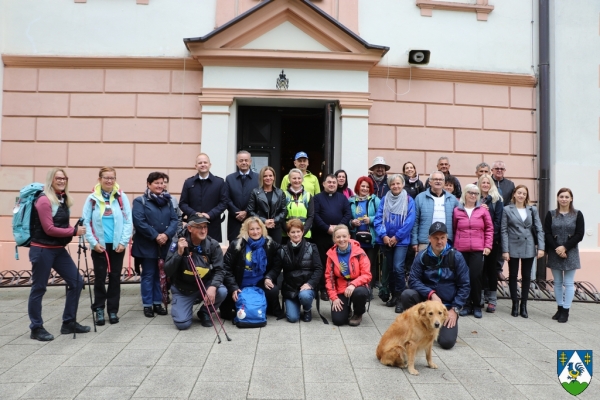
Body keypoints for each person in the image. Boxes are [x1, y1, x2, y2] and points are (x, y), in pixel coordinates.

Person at [28, 168, 89, 341]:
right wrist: (74, 231)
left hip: (57, 249)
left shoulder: (62, 199)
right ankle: (36, 327)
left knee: (76, 282)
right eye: (58, 178)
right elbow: (49, 229)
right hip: (42, 249)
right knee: (39, 288)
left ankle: (68, 323)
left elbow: (60, 226)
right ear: (51, 179)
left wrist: (71, 230)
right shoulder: (44, 200)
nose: (62, 181)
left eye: (64, 178)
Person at [401, 222, 470, 350]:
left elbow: (465, 286)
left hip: (447, 307)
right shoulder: (422, 256)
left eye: (442, 237)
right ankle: (417, 327)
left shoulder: (456, 257)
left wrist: (455, 310)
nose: (439, 241)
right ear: (429, 239)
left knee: (447, 343)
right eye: (436, 238)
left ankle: (442, 326)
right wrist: (431, 294)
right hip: (427, 305)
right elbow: (413, 280)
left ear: (447, 237)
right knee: (407, 295)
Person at [82, 167, 133, 325]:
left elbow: (128, 221)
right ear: (100, 179)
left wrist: (123, 242)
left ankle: (112, 311)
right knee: (99, 278)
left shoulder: (120, 197)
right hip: (100, 246)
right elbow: (86, 222)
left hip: (117, 246)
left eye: (112, 178)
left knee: (115, 278)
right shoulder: (92, 199)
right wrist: (93, 242)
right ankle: (98, 309)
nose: (109, 181)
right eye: (106, 178)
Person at [164, 215, 228, 329]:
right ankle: (183, 305)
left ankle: (205, 311)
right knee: (182, 324)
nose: (203, 230)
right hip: (183, 288)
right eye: (199, 227)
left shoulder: (212, 244)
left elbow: (220, 270)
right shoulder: (177, 242)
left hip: (204, 285)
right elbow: (168, 270)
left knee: (221, 291)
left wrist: (213, 287)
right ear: (189, 228)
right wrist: (179, 253)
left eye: (205, 227)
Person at [132, 172, 179, 318]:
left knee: (161, 275)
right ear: (149, 184)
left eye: (163, 183)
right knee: (148, 274)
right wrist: (155, 236)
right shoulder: (140, 201)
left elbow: (174, 220)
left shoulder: (169, 200)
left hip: (164, 244)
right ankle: (147, 305)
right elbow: (139, 222)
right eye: (157, 183)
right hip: (147, 244)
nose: (161, 185)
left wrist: (166, 235)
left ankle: (158, 303)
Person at [221, 217, 283, 319]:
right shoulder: (237, 244)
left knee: (273, 290)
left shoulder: (269, 243)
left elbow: (278, 261)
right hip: (240, 283)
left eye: (258, 228)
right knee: (230, 314)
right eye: (252, 229)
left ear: (262, 229)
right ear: (246, 230)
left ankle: (263, 306)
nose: (255, 232)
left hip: (259, 282)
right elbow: (225, 266)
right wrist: (233, 287)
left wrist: (269, 277)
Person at [373, 174, 416, 313]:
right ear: (389, 186)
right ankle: (393, 295)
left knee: (398, 268)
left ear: (403, 184)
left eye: (398, 183)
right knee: (390, 268)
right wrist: (384, 235)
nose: (395, 186)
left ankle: (401, 298)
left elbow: (410, 221)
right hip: (386, 240)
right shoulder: (384, 200)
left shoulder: (409, 200)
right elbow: (378, 218)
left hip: (401, 241)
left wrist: (396, 237)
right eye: (393, 184)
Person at [501, 185, 545, 318]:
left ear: (526, 196)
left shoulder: (532, 210)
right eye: (519, 193)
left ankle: (524, 305)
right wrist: (505, 250)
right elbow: (503, 230)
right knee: (513, 275)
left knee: (526, 276)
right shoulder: (507, 209)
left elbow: (539, 229)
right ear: (514, 194)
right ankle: (515, 304)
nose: (521, 195)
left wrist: (541, 247)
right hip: (513, 245)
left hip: (529, 245)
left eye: (524, 194)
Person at [544, 188, 585, 323]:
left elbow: (579, 234)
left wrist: (565, 247)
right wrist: (557, 248)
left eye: (567, 197)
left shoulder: (578, 214)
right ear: (557, 198)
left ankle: (566, 311)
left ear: (571, 199)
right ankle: (560, 308)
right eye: (561, 196)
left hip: (571, 252)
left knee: (568, 283)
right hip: (555, 251)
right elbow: (547, 233)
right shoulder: (551, 214)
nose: (564, 199)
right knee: (557, 282)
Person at [452, 184, 493, 319]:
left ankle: (477, 305)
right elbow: (454, 229)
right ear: (465, 193)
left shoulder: (482, 210)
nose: (473, 195)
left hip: (477, 249)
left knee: (475, 277)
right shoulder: (457, 210)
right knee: (463, 278)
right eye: (470, 192)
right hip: (461, 249)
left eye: (475, 193)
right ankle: (466, 305)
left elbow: (489, 229)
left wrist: (488, 246)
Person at [273, 219, 323, 323]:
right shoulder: (282, 250)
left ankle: (307, 309)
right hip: (290, 288)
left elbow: (319, 269)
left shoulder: (312, 247)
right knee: (292, 318)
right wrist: (268, 278)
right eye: (293, 232)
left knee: (304, 296)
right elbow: (275, 269)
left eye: (298, 231)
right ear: (288, 234)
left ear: (302, 232)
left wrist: (310, 284)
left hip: (306, 287)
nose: (296, 235)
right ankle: (295, 303)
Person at [312, 174, 352, 301]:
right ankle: (323, 289)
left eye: (334, 182)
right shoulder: (317, 198)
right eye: (329, 182)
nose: (332, 184)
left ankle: (337, 287)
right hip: (322, 236)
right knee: (323, 263)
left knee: (339, 263)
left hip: (339, 238)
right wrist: (327, 228)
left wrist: (338, 228)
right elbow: (315, 215)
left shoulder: (342, 198)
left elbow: (348, 214)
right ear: (323, 184)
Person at [325, 225, 372, 326]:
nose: (341, 239)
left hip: (358, 286)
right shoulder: (331, 255)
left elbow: (367, 275)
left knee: (359, 293)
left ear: (349, 236)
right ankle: (347, 309)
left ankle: (358, 313)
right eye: (338, 237)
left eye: (344, 236)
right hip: (341, 288)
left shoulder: (359, 252)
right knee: (338, 321)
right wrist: (334, 298)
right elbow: (329, 278)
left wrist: (353, 284)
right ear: (334, 239)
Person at [179, 153, 229, 242]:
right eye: (200, 163)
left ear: (210, 165)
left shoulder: (219, 182)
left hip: (212, 225)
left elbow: (224, 203)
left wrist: (210, 214)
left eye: (205, 162)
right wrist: (195, 214)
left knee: (211, 253)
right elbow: (183, 203)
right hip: (193, 225)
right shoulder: (188, 183)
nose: (203, 165)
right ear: (196, 166)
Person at [412, 171, 459, 252]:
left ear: (444, 182)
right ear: (430, 182)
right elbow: (415, 221)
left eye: (440, 179)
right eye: (435, 179)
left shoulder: (452, 199)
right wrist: (414, 242)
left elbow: (459, 218)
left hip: (446, 242)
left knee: (445, 264)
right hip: (425, 241)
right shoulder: (420, 198)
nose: (438, 181)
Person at [349, 176, 380, 294]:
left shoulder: (375, 200)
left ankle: (369, 290)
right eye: (363, 186)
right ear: (358, 186)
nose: (365, 188)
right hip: (356, 238)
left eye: (367, 187)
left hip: (371, 238)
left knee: (370, 264)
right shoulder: (351, 201)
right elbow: (347, 217)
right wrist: (352, 222)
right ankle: (358, 288)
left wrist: (371, 219)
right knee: (357, 264)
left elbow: (381, 216)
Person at [478, 174, 504, 313]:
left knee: (491, 270)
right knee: (479, 269)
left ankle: (492, 299)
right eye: (483, 182)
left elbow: (498, 222)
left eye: (488, 182)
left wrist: (490, 238)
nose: (485, 185)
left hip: (492, 240)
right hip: (476, 239)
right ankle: (480, 297)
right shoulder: (475, 198)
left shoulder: (496, 200)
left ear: (491, 184)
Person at [247, 166, 287, 244]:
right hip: (259, 228)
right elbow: (250, 211)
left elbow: (284, 211)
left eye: (270, 175)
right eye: (265, 176)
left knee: (276, 253)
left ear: (274, 177)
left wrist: (274, 221)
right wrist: (264, 221)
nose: (268, 178)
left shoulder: (280, 192)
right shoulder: (255, 192)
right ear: (262, 178)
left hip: (276, 228)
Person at [225, 150, 259, 242]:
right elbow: (226, 198)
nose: (244, 162)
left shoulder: (258, 178)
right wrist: (237, 212)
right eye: (241, 160)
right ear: (237, 162)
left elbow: (259, 199)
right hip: (234, 220)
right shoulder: (229, 179)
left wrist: (247, 212)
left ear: (250, 162)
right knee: (235, 250)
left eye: (246, 160)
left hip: (252, 220)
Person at [283, 168, 314, 242]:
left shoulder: (308, 196)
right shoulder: (283, 195)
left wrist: (302, 232)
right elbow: (281, 216)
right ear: (289, 180)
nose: (297, 180)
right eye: (294, 178)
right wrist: (289, 232)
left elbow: (311, 216)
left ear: (302, 179)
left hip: (305, 234)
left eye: (299, 178)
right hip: (287, 235)